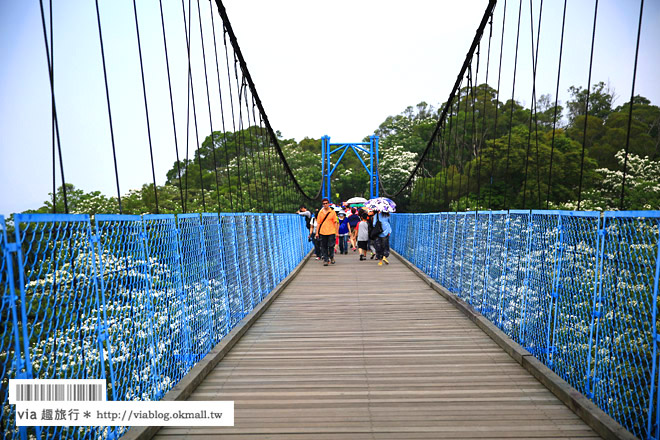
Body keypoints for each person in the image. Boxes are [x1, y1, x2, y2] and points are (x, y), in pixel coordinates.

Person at [314, 198, 339, 266]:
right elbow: (318, 223)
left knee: (331, 245)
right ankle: (325, 259)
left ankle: (331, 256)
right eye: (324, 204)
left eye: (326, 203)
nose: (325, 205)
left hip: (331, 231)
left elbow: (335, 222)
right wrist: (317, 233)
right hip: (323, 232)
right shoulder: (320, 212)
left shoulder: (332, 212)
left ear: (328, 204)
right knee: (323, 246)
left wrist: (337, 232)